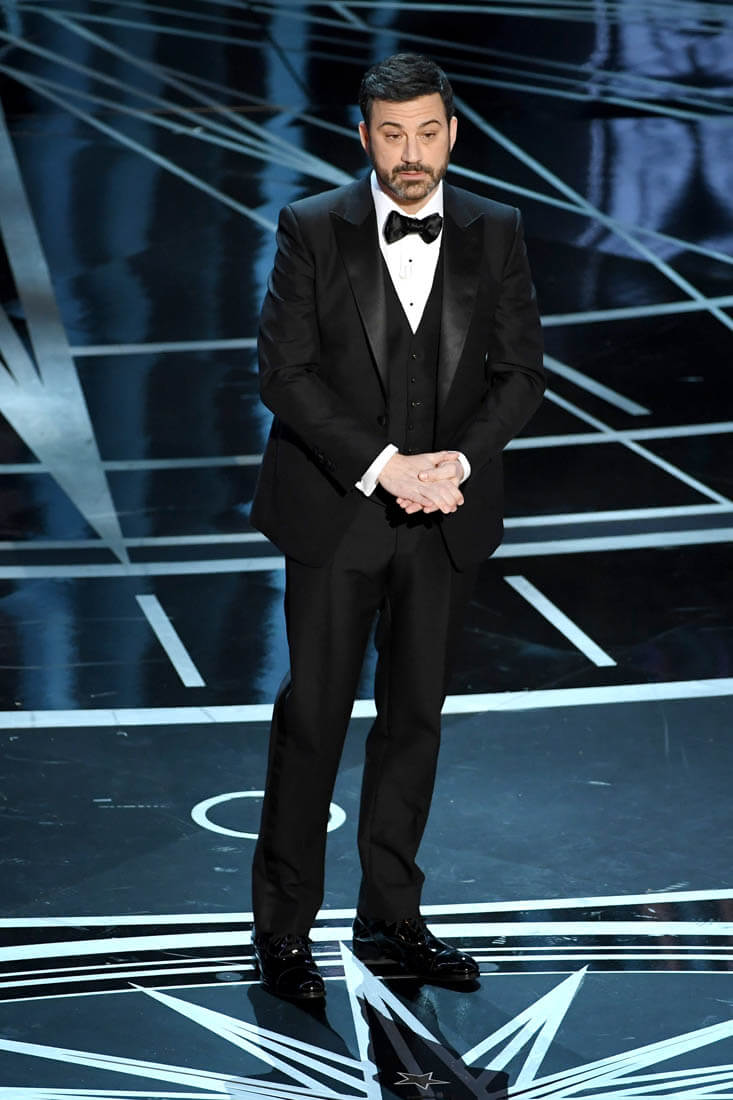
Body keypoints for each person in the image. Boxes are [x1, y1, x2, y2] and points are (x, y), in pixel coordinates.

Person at [250, 52, 545, 999]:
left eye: (425, 132)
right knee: (314, 722)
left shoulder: (497, 229)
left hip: (445, 517)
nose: (409, 153)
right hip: (336, 516)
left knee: (414, 721)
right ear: (363, 136)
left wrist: (454, 464)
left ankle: (391, 915)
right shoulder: (310, 227)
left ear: (451, 133)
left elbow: (519, 374)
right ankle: (283, 934)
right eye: (391, 134)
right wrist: (386, 466)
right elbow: (284, 374)